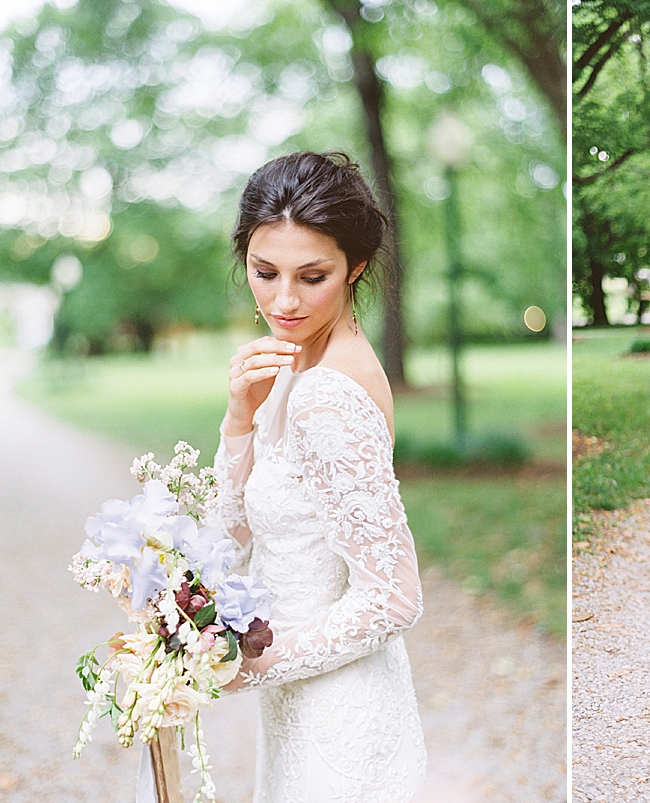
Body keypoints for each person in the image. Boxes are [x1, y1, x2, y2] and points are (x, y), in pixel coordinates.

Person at [210, 151, 426, 800]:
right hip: (297, 708)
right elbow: (237, 533)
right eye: (264, 271)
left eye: (313, 276)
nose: (284, 299)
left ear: (356, 266)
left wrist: (235, 669)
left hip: (341, 720)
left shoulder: (328, 392)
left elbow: (392, 597)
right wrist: (238, 418)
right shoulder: (291, 364)